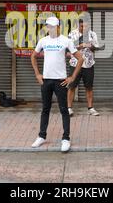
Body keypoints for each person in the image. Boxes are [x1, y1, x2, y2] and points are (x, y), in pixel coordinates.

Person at [31, 16, 83, 152]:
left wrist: (72, 77)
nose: (50, 29)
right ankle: (41, 136)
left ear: (58, 27)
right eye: (48, 26)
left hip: (60, 80)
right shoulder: (43, 41)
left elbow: (80, 58)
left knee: (64, 110)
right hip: (46, 80)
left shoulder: (66, 41)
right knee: (45, 109)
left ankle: (66, 139)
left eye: (53, 26)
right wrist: (37, 74)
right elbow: (33, 56)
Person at [67, 18, 100, 116]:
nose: (84, 28)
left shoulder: (92, 34)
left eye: (86, 26)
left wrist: (91, 46)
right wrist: (80, 46)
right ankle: (69, 108)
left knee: (89, 87)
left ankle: (90, 108)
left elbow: (96, 48)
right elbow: (68, 49)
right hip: (75, 64)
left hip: (89, 64)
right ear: (78, 25)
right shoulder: (72, 34)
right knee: (72, 86)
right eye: (82, 26)